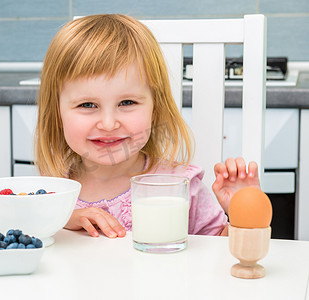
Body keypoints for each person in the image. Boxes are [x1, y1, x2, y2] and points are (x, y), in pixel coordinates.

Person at [34, 14, 260, 239]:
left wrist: (244, 210)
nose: (109, 124)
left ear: (156, 108)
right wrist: (64, 220)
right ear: (56, 113)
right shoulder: (52, 191)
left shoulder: (179, 187)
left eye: (127, 102)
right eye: (87, 104)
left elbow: (218, 253)